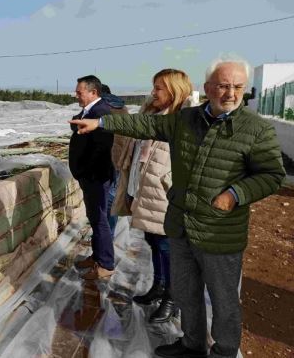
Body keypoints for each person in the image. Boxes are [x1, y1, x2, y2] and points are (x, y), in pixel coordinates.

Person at [70, 57, 285, 358]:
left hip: (219, 231)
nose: (231, 94)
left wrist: (235, 194)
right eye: (223, 86)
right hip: (181, 224)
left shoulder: (256, 129)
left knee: (223, 301)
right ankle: (191, 344)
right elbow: (145, 123)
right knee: (186, 292)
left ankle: (224, 351)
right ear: (208, 87)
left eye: (238, 87)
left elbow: (272, 175)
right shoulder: (186, 120)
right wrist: (101, 121)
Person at [110, 69, 195, 324]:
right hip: (144, 188)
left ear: (174, 90)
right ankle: (159, 287)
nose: (153, 92)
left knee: (169, 248)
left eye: (159, 88)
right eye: (154, 87)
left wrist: (168, 182)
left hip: (165, 195)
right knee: (154, 242)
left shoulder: (185, 120)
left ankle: (173, 298)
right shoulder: (152, 114)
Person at [69, 75, 116, 280]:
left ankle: (105, 264)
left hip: (96, 176)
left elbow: (101, 150)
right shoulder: (91, 111)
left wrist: (85, 171)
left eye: (80, 92)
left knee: (100, 220)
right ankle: (97, 257)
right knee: (95, 219)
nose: (76, 95)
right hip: (90, 176)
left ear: (93, 92)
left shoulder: (101, 113)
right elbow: (75, 124)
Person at [101, 83, 129, 237]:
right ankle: (108, 234)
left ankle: (106, 237)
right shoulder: (121, 107)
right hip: (121, 158)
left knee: (108, 200)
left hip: (108, 160)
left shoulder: (102, 109)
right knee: (113, 196)